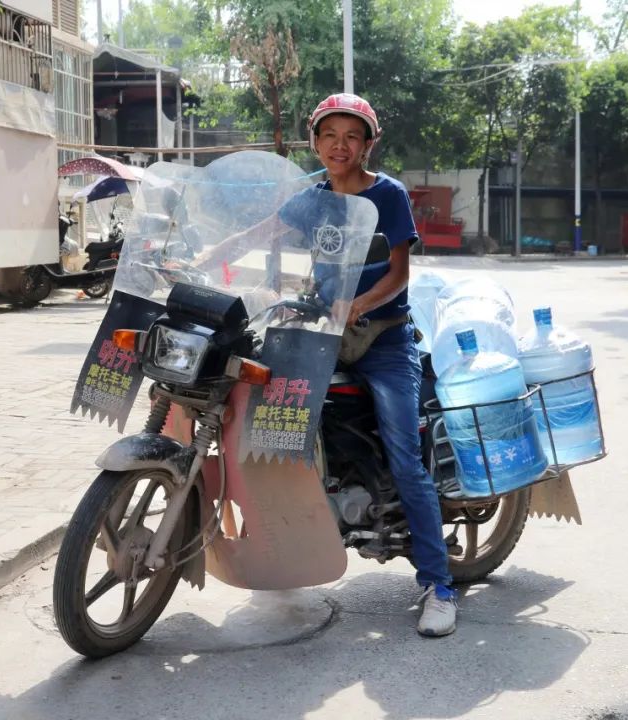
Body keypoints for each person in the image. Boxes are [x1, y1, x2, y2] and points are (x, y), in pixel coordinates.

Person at [195, 94, 458, 637]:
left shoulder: (388, 194)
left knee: (407, 456)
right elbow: (263, 232)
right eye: (329, 135)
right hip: (322, 334)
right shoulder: (312, 198)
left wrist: (360, 305)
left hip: (381, 339)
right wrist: (209, 253)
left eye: (351, 136)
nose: (340, 146)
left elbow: (401, 272)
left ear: (367, 143)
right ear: (314, 141)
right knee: (263, 418)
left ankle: (438, 586)